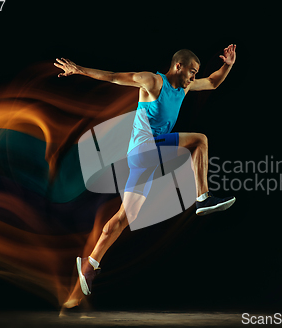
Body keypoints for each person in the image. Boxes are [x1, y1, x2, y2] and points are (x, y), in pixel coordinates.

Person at [54, 45, 237, 308]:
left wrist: (228, 64)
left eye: (195, 74)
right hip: (145, 148)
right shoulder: (153, 81)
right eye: (192, 72)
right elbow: (115, 76)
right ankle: (203, 198)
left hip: (147, 158)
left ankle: (90, 263)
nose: (193, 78)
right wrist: (78, 69)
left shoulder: (184, 88)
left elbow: (213, 82)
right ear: (178, 66)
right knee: (200, 140)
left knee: (126, 217)